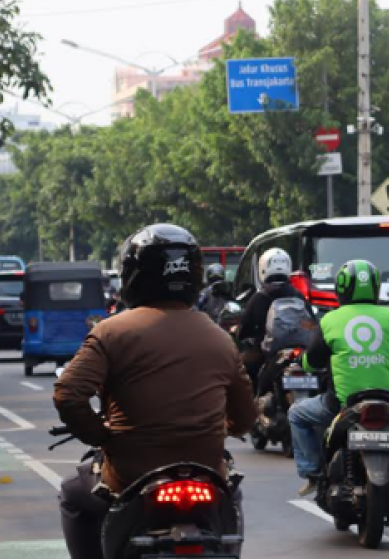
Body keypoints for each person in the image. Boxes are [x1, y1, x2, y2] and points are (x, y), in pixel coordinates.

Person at [53, 224, 256, 559]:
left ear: (133, 275)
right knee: (231, 494)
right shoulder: (219, 336)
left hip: (129, 474)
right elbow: (246, 417)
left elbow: (68, 394)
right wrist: (224, 427)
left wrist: (101, 435)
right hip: (206, 469)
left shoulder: (111, 332)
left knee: (73, 493)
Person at [287, 259, 389, 496]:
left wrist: (301, 361)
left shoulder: (330, 321)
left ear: (341, 289)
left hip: (340, 405)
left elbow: (312, 362)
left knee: (296, 413)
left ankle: (313, 473)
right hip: (386, 402)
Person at [236, 248, 304, 385]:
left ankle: (252, 401)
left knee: (239, 370)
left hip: (266, 354)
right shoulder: (298, 295)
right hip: (298, 353)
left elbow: (244, 330)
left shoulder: (258, 298)